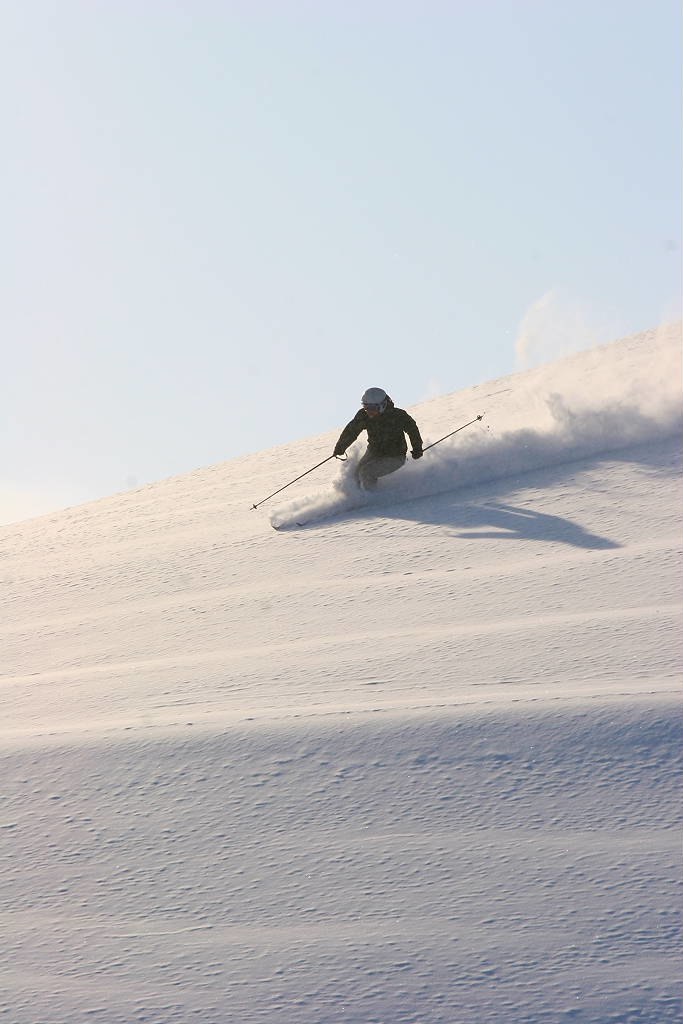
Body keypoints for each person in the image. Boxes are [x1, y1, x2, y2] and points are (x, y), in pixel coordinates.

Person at [333, 387, 424, 490]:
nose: (369, 412)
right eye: (366, 407)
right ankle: (356, 498)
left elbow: (413, 430)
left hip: (395, 456)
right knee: (356, 474)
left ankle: (372, 498)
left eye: (373, 408)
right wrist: (340, 447)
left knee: (366, 472)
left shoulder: (398, 416)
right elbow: (351, 430)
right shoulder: (364, 415)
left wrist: (417, 448)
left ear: (383, 405)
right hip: (374, 451)